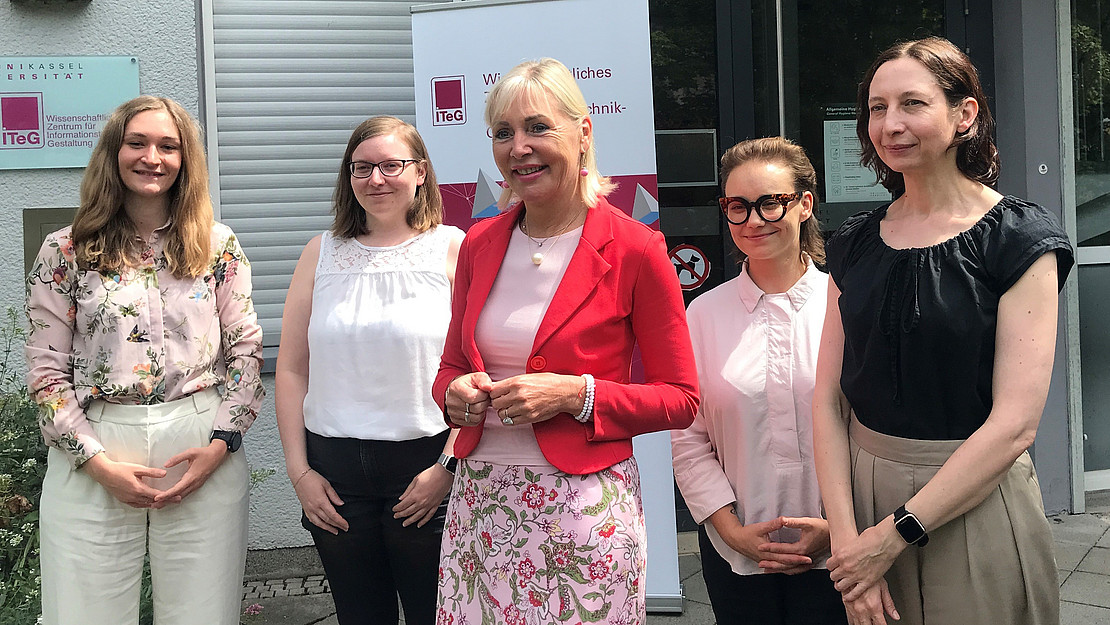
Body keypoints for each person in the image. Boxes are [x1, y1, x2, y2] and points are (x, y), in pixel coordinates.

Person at [813, 36, 1073, 625]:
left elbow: (1014, 426)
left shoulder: (1018, 239)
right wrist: (851, 546)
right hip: (863, 495)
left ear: (964, 114)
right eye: (877, 108)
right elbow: (828, 400)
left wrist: (894, 536)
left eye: (912, 103)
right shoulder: (852, 243)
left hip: (971, 500)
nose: (891, 124)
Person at [432, 58, 699, 625]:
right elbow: (451, 367)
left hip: (583, 511)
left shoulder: (636, 249)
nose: (519, 147)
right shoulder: (479, 243)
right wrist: (453, 394)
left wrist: (576, 395)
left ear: (583, 133)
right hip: (481, 505)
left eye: (537, 127)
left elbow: (680, 398)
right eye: (503, 133)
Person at [25, 95, 264, 625]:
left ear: (185, 159)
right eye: (137, 143)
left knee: (203, 614)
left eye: (167, 145)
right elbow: (45, 372)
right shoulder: (65, 251)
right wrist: (97, 464)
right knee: (83, 614)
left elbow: (246, 350)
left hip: (199, 442)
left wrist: (223, 442)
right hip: (95, 447)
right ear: (114, 153)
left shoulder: (216, 246)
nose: (151, 157)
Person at [275, 115, 463, 625]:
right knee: (359, 615)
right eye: (362, 168)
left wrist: (447, 467)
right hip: (334, 473)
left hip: (425, 466)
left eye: (391, 165)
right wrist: (301, 474)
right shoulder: (321, 253)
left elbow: (477, 370)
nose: (376, 179)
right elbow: (291, 370)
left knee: (435, 614)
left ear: (420, 172)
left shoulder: (454, 248)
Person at [671, 137, 846, 625]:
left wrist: (836, 526)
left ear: (804, 204)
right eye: (737, 207)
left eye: (770, 202)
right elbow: (688, 440)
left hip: (844, 547)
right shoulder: (702, 315)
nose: (753, 221)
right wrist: (730, 530)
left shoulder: (845, 303)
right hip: (738, 555)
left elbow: (872, 429)